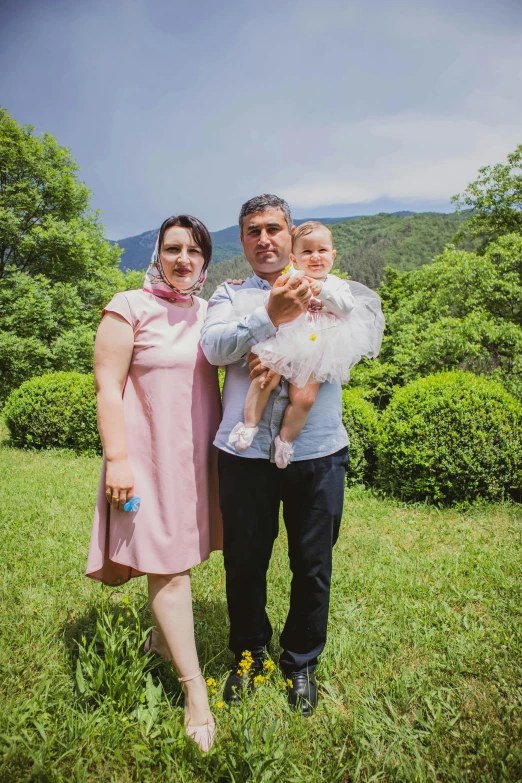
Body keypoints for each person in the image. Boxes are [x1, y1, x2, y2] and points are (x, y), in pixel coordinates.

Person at [201, 195, 367, 716]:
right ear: (244, 240)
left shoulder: (322, 283)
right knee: (245, 562)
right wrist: (268, 316)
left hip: (317, 450)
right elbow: (214, 348)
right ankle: (249, 655)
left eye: (274, 228)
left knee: (312, 563)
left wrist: (316, 297)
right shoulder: (229, 293)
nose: (264, 239)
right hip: (244, 455)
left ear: (290, 232)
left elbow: (360, 322)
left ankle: (300, 663)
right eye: (253, 231)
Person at [86, 215, 222, 752]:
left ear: (205, 260)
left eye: (194, 250)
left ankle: (160, 645)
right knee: (166, 566)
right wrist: (117, 459)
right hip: (146, 461)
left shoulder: (212, 314)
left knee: (181, 559)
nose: (183, 259)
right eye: (173, 249)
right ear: (158, 255)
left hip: (196, 461)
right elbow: (106, 386)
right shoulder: (129, 306)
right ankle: (195, 696)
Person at [227, 221, 384, 467]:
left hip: (317, 347)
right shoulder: (290, 277)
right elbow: (272, 302)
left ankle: (286, 439)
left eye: (322, 251)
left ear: (333, 255)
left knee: (305, 398)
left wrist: (321, 291)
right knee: (265, 378)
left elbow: (346, 308)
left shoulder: (337, 285)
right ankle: (248, 425)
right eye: (307, 252)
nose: (315, 257)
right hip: (287, 338)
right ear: (294, 257)